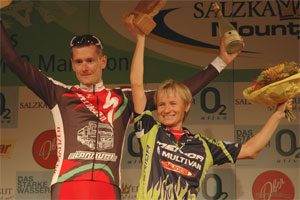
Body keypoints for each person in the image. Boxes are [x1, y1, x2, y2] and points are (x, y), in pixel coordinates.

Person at [1, 5, 240, 199]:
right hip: (68, 186)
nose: (85, 67)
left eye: (90, 60)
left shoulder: (123, 99)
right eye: (78, 62)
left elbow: (178, 93)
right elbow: (14, 61)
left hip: (108, 189)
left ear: (103, 61)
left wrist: (220, 62)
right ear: (72, 64)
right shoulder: (58, 93)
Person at [128, 15, 292, 200]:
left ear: (187, 105)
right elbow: (136, 84)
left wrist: (278, 114)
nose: (166, 110)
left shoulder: (204, 146)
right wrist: (141, 38)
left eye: (173, 103)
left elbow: (251, 149)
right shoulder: (150, 130)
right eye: (161, 105)